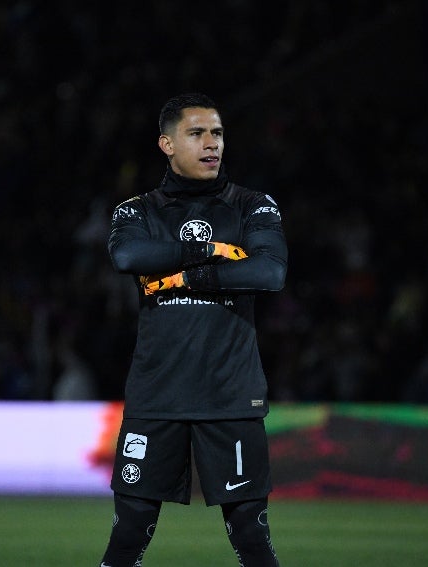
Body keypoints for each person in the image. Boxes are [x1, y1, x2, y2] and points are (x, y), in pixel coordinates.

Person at [99, 93, 287, 566]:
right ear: (166, 143)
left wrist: (191, 274)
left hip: (230, 393)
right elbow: (127, 257)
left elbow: (269, 273)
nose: (212, 144)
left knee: (251, 535)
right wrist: (219, 253)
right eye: (197, 133)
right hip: (157, 393)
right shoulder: (136, 211)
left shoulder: (253, 205)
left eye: (218, 133)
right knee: (128, 533)